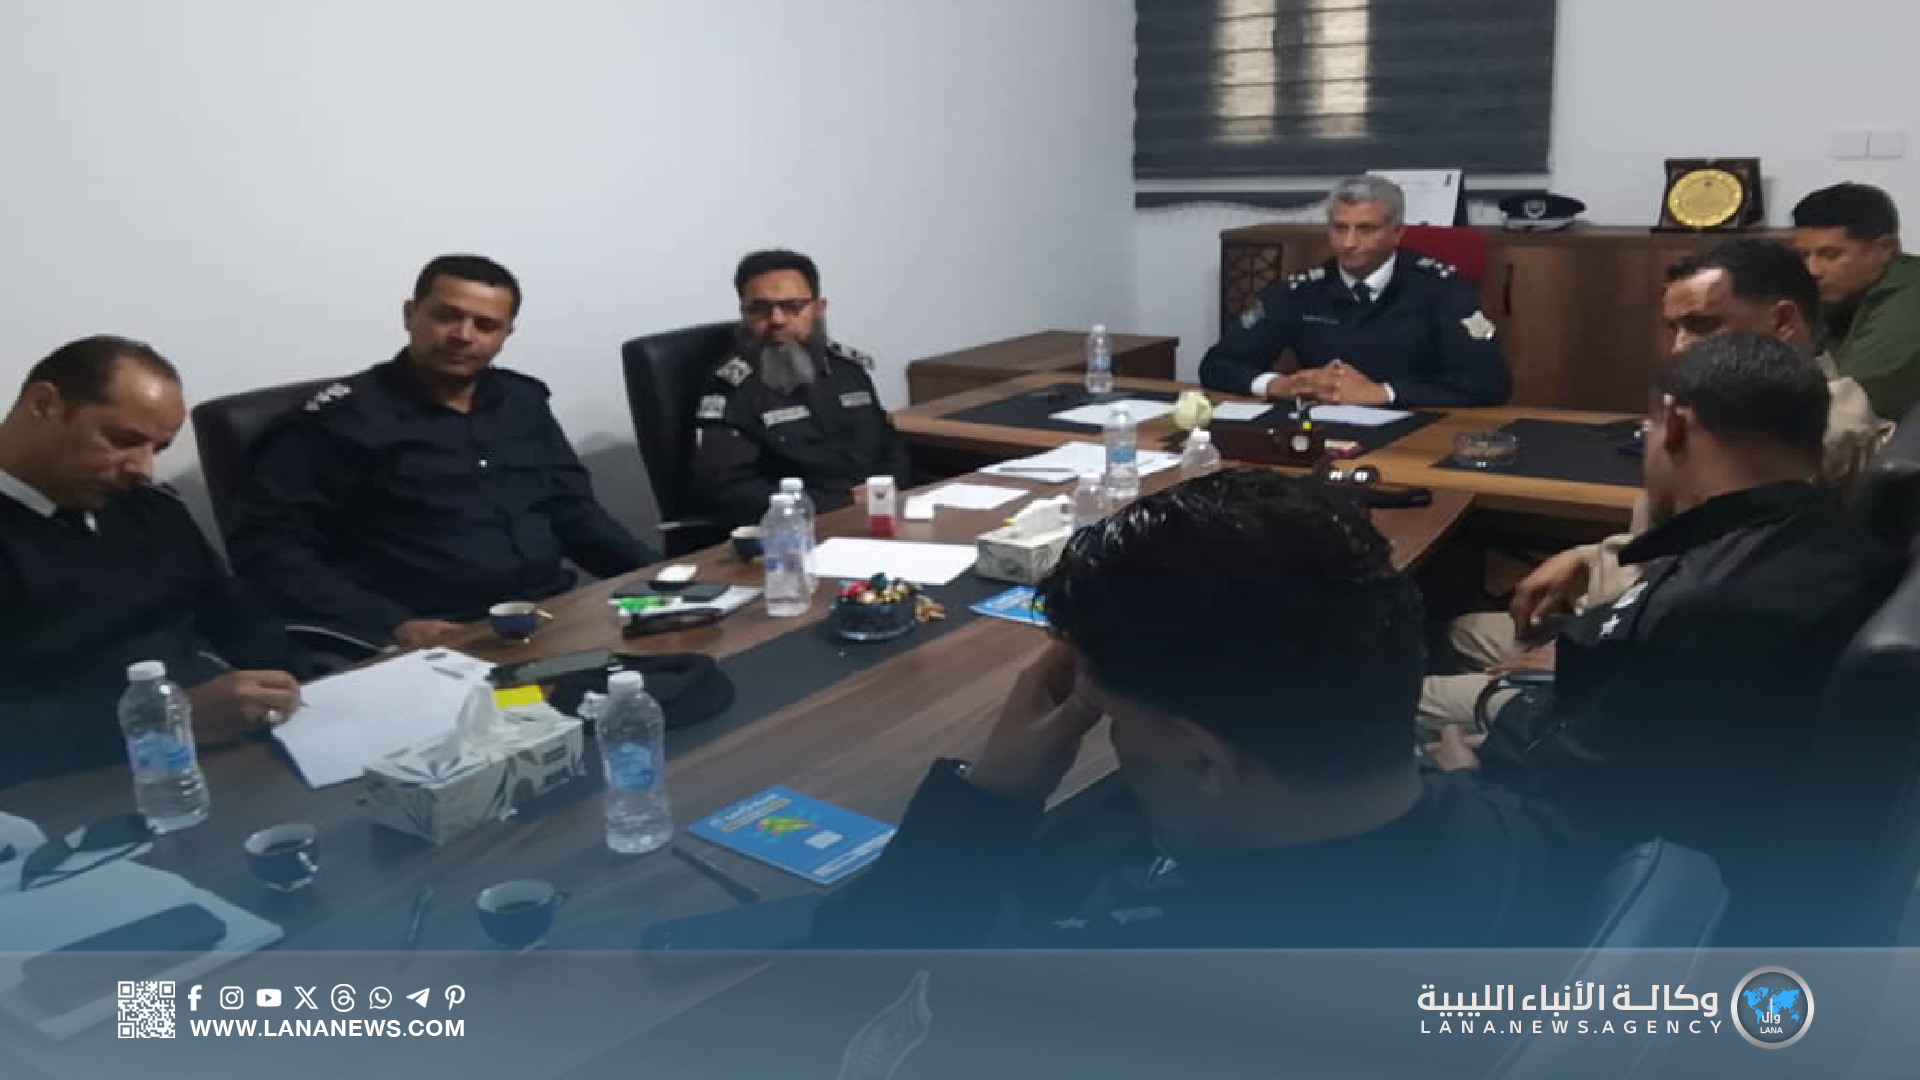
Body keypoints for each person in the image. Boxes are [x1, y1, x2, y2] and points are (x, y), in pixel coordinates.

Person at [811, 469, 1586, 949]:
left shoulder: (1110, 994)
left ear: (1207, 759)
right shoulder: (1518, 826)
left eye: (1115, 721)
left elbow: (842, 998)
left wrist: (989, 800)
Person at [1437, 334, 1899, 943]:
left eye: (1650, 428)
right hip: (1679, 787)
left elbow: (1581, 813)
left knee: (1413, 722)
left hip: (1590, 858)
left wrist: (1467, 780)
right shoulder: (1831, 540)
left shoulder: (1706, 606)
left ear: (1677, 424)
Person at [1419, 240, 1892, 728]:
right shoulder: (1777, 415)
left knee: (1412, 697)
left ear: (1782, 321)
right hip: (1649, 619)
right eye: (1675, 328)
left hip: (1662, 655)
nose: (1680, 348)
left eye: (1703, 325)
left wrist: (1595, 650)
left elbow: (1720, 595)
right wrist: (1588, 557)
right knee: (1459, 630)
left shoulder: (1805, 437)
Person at [229, 255, 655, 650]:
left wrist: (660, 577)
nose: (462, 336)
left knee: (678, 677)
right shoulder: (339, 420)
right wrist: (392, 624)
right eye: (447, 316)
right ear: (410, 314)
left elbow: (574, 512)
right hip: (435, 639)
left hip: (550, 616)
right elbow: (272, 552)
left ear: (505, 336)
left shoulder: (521, 401)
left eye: (485, 325)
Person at [0, 337, 309, 788]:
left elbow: (235, 613)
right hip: (81, 781)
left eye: (158, 449)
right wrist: (163, 720)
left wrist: (306, 684)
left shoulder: (147, 504)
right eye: (123, 440)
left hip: (227, 744)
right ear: (44, 404)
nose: (142, 469)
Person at [1198, 174, 1511, 407]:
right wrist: (1281, 385)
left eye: (1365, 229)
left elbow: (1489, 382)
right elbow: (1218, 365)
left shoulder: (1442, 291)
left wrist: (1382, 393)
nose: (1348, 243)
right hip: (1322, 430)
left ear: (1396, 233)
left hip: (1417, 429)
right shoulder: (1302, 291)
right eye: (1339, 228)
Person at [688, 249, 911, 527]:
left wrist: (886, 489)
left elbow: (889, 444)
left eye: (792, 306)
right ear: (743, 313)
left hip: (881, 515)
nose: (777, 320)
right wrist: (843, 505)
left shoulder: (848, 370)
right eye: (760, 309)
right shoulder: (731, 388)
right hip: (798, 529)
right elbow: (727, 489)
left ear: (819, 307)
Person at [1793, 182, 1920, 421]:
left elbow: (1845, 408)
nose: (1812, 270)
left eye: (1830, 255)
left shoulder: (1910, 301)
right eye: (1804, 256)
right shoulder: (1845, 294)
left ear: (1886, 248)